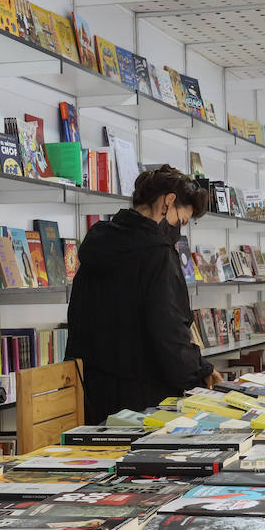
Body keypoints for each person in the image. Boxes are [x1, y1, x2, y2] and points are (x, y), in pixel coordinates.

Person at [66, 165, 219, 424]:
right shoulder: (157, 255)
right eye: (180, 221)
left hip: (91, 398)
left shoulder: (96, 245)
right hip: (145, 405)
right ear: (167, 202)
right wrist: (198, 372)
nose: (178, 232)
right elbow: (169, 330)